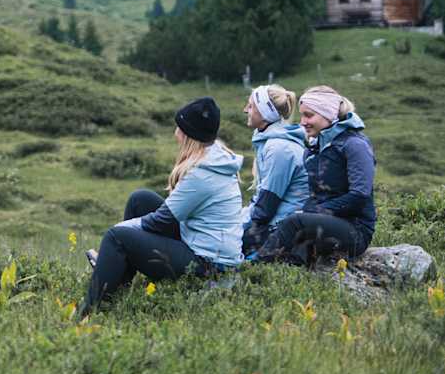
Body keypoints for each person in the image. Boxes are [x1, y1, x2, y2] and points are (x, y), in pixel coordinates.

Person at [78, 97, 243, 317]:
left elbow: (160, 221)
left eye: (180, 128)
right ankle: (118, 281)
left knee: (116, 237)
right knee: (140, 200)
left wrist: (121, 228)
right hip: (205, 247)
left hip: (208, 266)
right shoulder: (216, 155)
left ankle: (88, 313)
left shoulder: (201, 174)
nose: (176, 133)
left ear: (189, 136)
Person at [256, 86, 376, 266]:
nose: (302, 122)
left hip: (355, 231)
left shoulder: (354, 144)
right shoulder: (314, 148)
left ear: (327, 114)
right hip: (324, 224)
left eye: (309, 115)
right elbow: (315, 196)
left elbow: (359, 195)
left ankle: (254, 272)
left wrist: (315, 212)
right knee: (286, 242)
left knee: (294, 223)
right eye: (302, 115)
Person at [240, 84, 310, 258]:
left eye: (250, 106)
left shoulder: (279, 148)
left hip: (280, 226)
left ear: (264, 112)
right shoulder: (272, 142)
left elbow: (267, 206)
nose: (245, 110)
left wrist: (239, 230)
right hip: (276, 220)